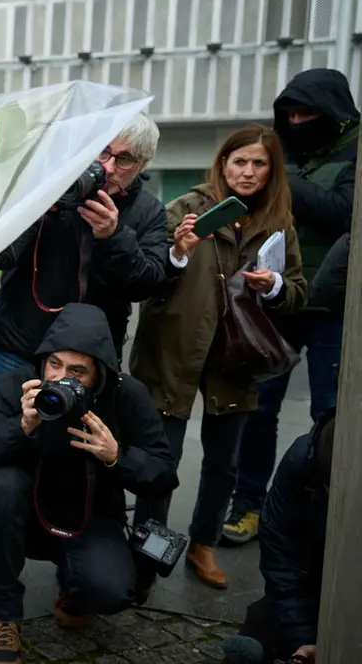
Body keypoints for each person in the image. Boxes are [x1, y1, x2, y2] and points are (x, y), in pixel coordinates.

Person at [130, 124, 307, 591]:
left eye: (259, 163)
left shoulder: (277, 221)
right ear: (223, 164)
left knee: (223, 462)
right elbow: (147, 277)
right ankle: (148, 550)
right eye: (239, 162)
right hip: (174, 349)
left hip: (236, 354)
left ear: (272, 170)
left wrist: (274, 286)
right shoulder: (186, 209)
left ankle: (203, 544)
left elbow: (296, 292)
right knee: (159, 461)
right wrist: (179, 252)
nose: (247, 173)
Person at [0, 303, 177, 664]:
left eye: (78, 371)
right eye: (55, 364)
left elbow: (163, 473)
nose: (61, 378)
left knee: (111, 592)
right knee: (0, 485)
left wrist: (117, 456)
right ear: (43, 360)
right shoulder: (19, 386)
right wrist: (21, 426)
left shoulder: (126, 396)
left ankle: (75, 586)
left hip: (91, 516)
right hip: (25, 509)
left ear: (100, 374)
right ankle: (3, 617)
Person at [224, 69, 355, 546]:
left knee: (331, 416)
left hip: (335, 306)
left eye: (308, 114)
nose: (297, 122)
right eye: (290, 114)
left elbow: (345, 209)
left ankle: (321, 516)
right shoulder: (281, 150)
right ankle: (249, 504)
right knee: (258, 407)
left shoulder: (353, 150)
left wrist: (286, 184)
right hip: (279, 297)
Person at [0, 112, 168, 378]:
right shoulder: (47, 183)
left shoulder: (149, 211)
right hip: (20, 342)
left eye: (124, 159)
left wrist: (113, 236)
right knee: (7, 419)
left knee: (75, 422)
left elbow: (144, 284)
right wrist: (47, 206)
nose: (109, 167)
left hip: (90, 356)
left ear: (143, 164)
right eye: (103, 152)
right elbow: (2, 256)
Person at [222, 410, 333, 664]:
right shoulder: (303, 460)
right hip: (310, 587)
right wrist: (303, 639)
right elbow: (281, 557)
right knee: (258, 632)